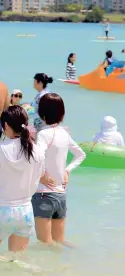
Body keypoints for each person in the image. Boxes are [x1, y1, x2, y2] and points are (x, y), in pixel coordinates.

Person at [0, 106, 45, 254]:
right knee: (17, 258)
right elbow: (36, 181)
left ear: (6, 125)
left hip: (1, 210)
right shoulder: (37, 150)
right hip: (25, 211)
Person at [33, 93, 86, 246]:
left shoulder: (43, 134)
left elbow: (37, 156)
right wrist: (67, 171)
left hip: (44, 195)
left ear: (41, 114)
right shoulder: (64, 134)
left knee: (45, 243)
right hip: (61, 195)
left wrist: (41, 175)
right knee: (59, 241)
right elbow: (81, 155)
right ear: (62, 114)